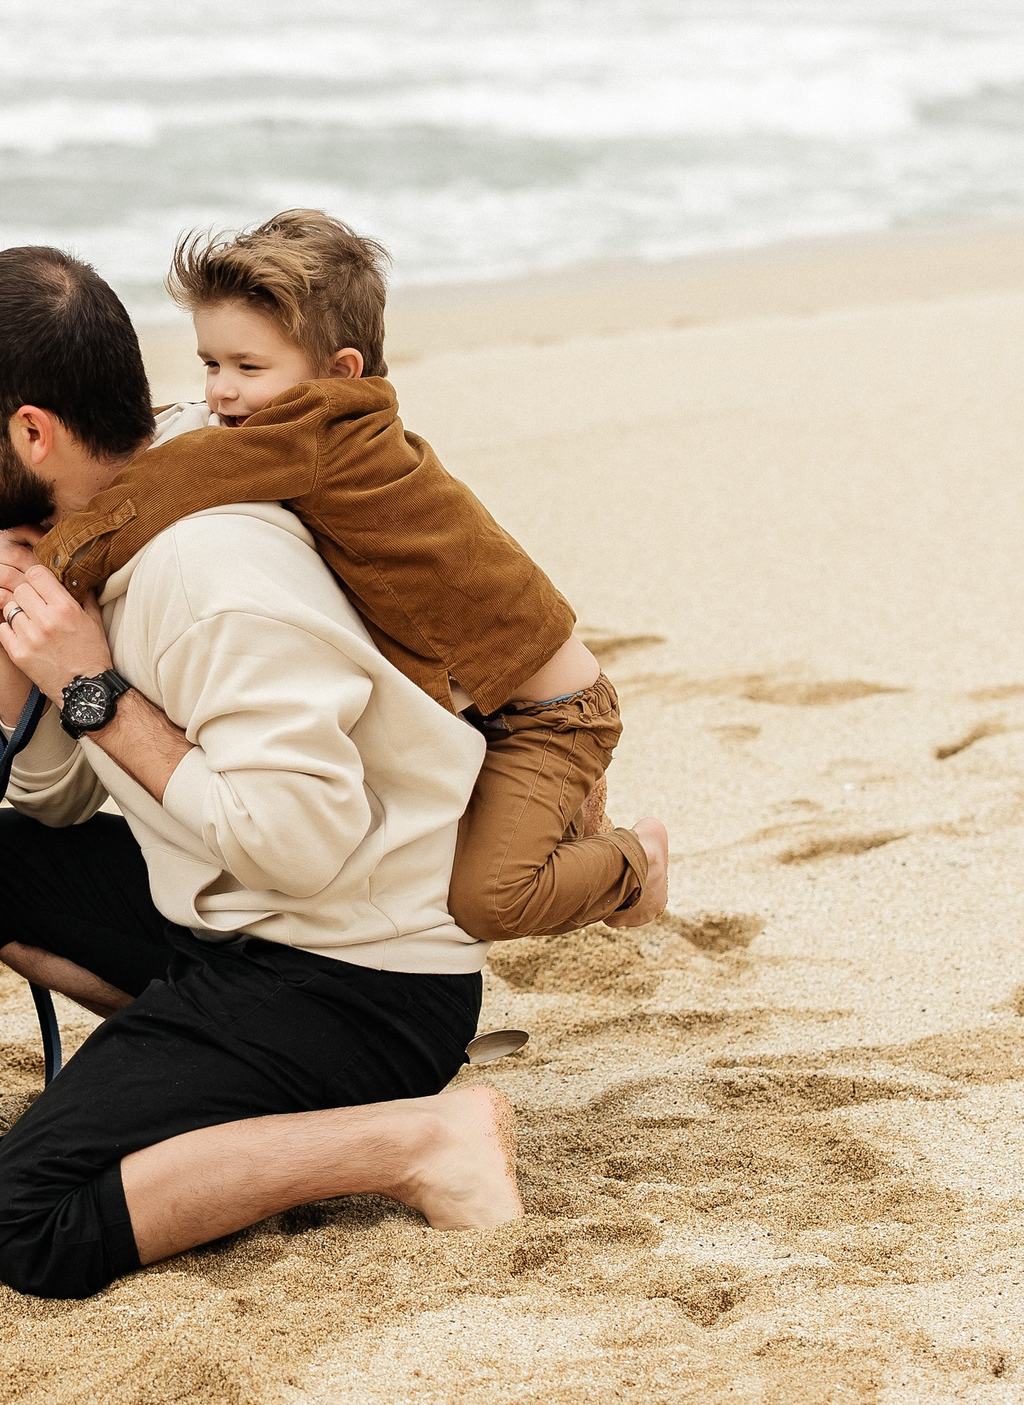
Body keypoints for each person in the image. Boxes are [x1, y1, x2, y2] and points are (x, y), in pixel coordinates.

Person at [0, 246, 522, 1301]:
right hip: (230, 925)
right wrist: (5, 651)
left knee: (24, 1223)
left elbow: (298, 844)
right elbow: (46, 803)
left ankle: (416, 1137)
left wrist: (97, 688)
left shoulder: (207, 572)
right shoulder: (103, 531)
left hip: (356, 976)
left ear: (30, 433)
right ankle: (203, 1076)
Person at [33, 209, 666, 938]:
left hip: (549, 717)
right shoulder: (329, 429)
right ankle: (575, 822)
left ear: (339, 374)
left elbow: (174, 479)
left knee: (487, 902)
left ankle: (637, 865)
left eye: (248, 368)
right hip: (484, 699)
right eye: (210, 363)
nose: (219, 394)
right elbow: (189, 448)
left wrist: (58, 561)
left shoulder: (314, 436)